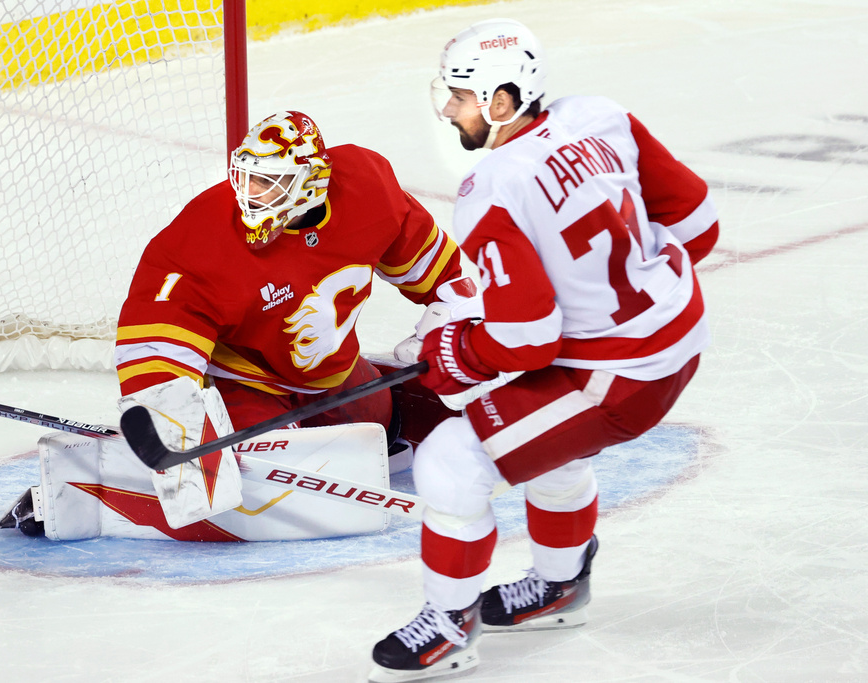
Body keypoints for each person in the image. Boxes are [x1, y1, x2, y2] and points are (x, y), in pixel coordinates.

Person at [369, 19, 719, 681]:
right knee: (540, 440)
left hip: (619, 375)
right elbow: (700, 225)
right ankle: (560, 586)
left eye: (461, 97)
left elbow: (528, 341)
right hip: (675, 335)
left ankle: (448, 626)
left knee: (451, 460)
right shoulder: (602, 115)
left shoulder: (492, 189)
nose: (449, 109)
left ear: (501, 102)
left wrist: (452, 346)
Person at [115, 109, 475, 466]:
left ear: (311, 182)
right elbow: (159, 332)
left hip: (333, 374)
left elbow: (431, 264)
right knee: (272, 464)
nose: (250, 193)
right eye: (247, 176)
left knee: (380, 424)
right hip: (245, 382)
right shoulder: (202, 237)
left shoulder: (365, 186)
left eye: (269, 181)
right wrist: (164, 412)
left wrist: (453, 312)